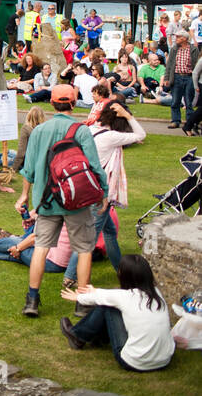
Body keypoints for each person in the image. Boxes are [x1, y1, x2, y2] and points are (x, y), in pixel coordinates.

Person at [17, 84, 109, 318]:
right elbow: (95, 166)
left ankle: (32, 299)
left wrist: (25, 195)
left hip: (47, 201)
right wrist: (104, 193)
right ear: (74, 103)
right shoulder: (82, 131)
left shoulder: (38, 131)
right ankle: (82, 301)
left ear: (52, 103)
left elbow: (28, 170)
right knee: (85, 249)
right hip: (77, 200)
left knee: (41, 247)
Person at [60, 99, 144, 291]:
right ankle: (70, 276)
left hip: (83, 187)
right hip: (100, 194)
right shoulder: (112, 137)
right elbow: (141, 134)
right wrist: (128, 115)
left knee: (109, 232)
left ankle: (120, 268)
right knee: (89, 237)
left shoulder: (89, 130)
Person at [60, 255, 174, 372]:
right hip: (164, 360)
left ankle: (77, 336)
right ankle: (97, 338)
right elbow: (113, 295)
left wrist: (78, 297)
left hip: (134, 361)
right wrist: (96, 291)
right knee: (110, 302)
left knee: (107, 307)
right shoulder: (156, 293)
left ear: (125, 276)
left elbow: (107, 297)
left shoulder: (125, 297)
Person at [163, 29, 198, 128]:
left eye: (178, 37)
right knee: (175, 101)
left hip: (189, 77)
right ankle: (175, 120)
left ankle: (190, 122)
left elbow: (196, 64)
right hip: (177, 77)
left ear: (185, 39)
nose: (176, 38)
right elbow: (169, 65)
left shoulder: (193, 49)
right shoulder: (174, 49)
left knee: (188, 101)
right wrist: (167, 78)